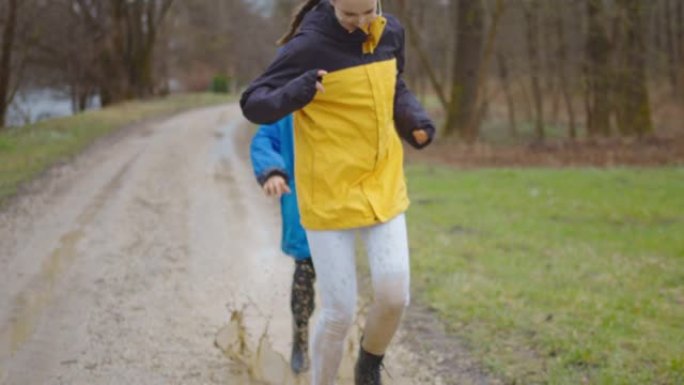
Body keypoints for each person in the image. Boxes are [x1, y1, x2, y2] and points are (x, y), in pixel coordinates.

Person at [240, 0, 435, 383]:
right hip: (328, 193)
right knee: (339, 312)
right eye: (349, 16)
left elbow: (395, 85)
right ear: (331, 4)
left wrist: (414, 118)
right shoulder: (307, 46)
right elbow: (254, 103)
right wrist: (297, 91)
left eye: (368, 13)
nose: (361, 25)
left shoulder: (391, 32)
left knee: (395, 296)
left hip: (382, 183)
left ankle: (368, 364)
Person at [249, 114, 316, 375]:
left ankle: (360, 349)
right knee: (305, 273)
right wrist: (272, 170)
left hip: (344, 205)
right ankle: (300, 337)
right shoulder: (294, 94)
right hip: (304, 203)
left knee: (342, 286)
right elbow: (265, 137)